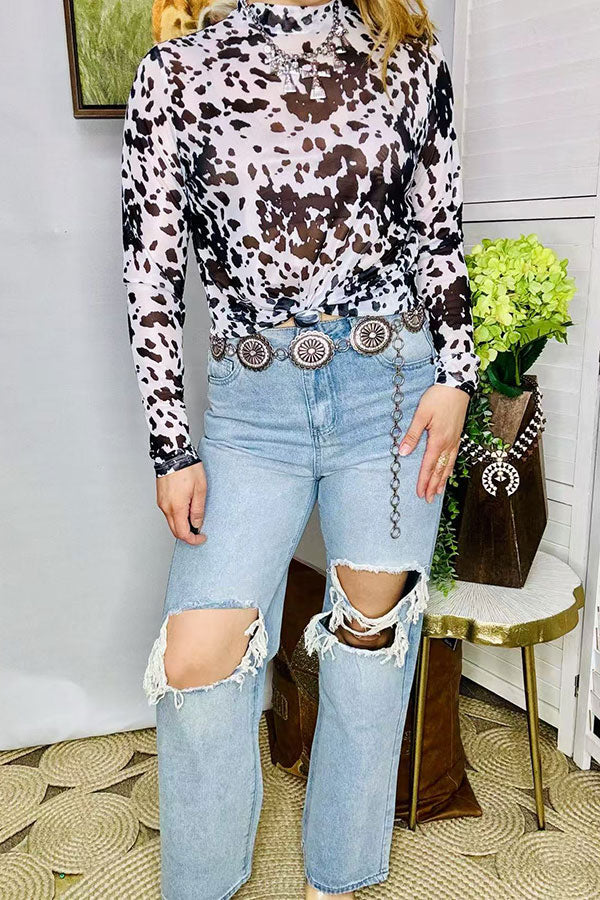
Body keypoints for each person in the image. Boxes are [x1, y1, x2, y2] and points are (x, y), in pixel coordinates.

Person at [121, 0, 479, 896]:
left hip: (391, 392)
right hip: (253, 409)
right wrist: (171, 443)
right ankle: (204, 883)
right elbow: (150, 271)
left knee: (370, 643)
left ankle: (340, 877)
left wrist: (458, 375)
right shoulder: (178, 70)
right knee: (197, 658)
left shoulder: (406, 55)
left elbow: (437, 235)